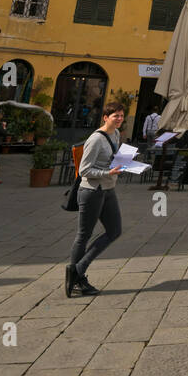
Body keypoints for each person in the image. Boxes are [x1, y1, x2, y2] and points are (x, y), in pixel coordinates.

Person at [66, 101, 126, 297]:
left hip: (108, 189)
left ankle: (78, 268)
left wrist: (127, 163)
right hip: (91, 191)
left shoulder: (116, 134)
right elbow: (83, 170)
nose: (119, 119)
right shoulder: (95, 139)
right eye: (115, 115)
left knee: (115, 230)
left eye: (121, 115)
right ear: (105, 117)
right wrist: (107, 172)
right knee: (84, 234)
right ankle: (77, 279)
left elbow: (113, 158)